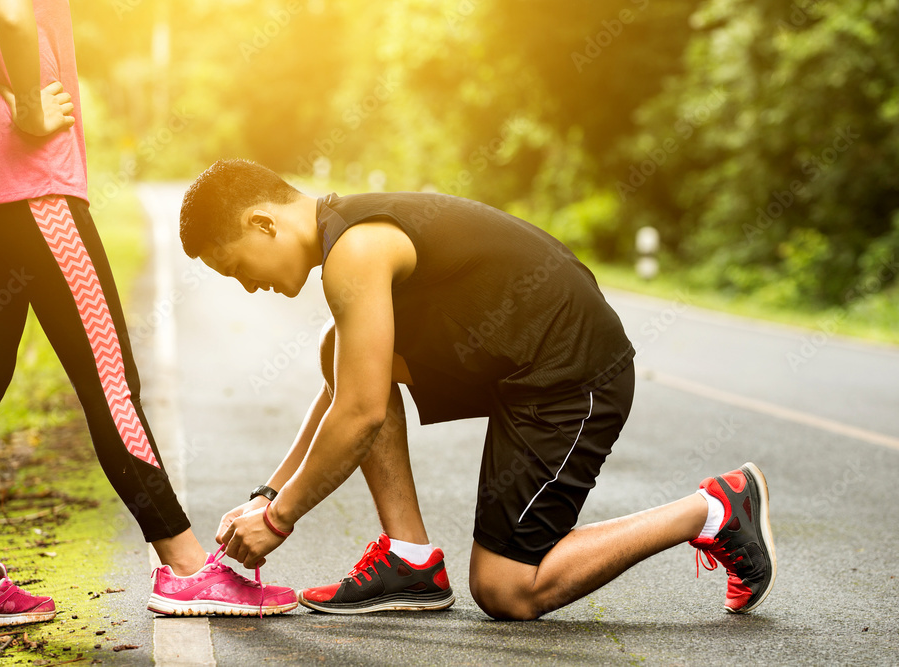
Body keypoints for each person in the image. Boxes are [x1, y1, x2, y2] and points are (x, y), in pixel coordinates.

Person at [179, 158, 777, 619]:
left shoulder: (356, 248)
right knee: (345, 350)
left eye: (236, 267)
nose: (246, 287)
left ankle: (717, 508)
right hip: (516, 361)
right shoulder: (346, 231)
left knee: (506, 590)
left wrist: (279, 519)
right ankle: (409, 561)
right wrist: (268, 494)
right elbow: (350, 391)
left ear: (263, 222)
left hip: (571, 375)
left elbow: (359, 415)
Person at [0, 1, 296, 632]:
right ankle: (183, 566)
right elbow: (13, 13)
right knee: (112, 381)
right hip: (29, 181)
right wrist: (34, 107)